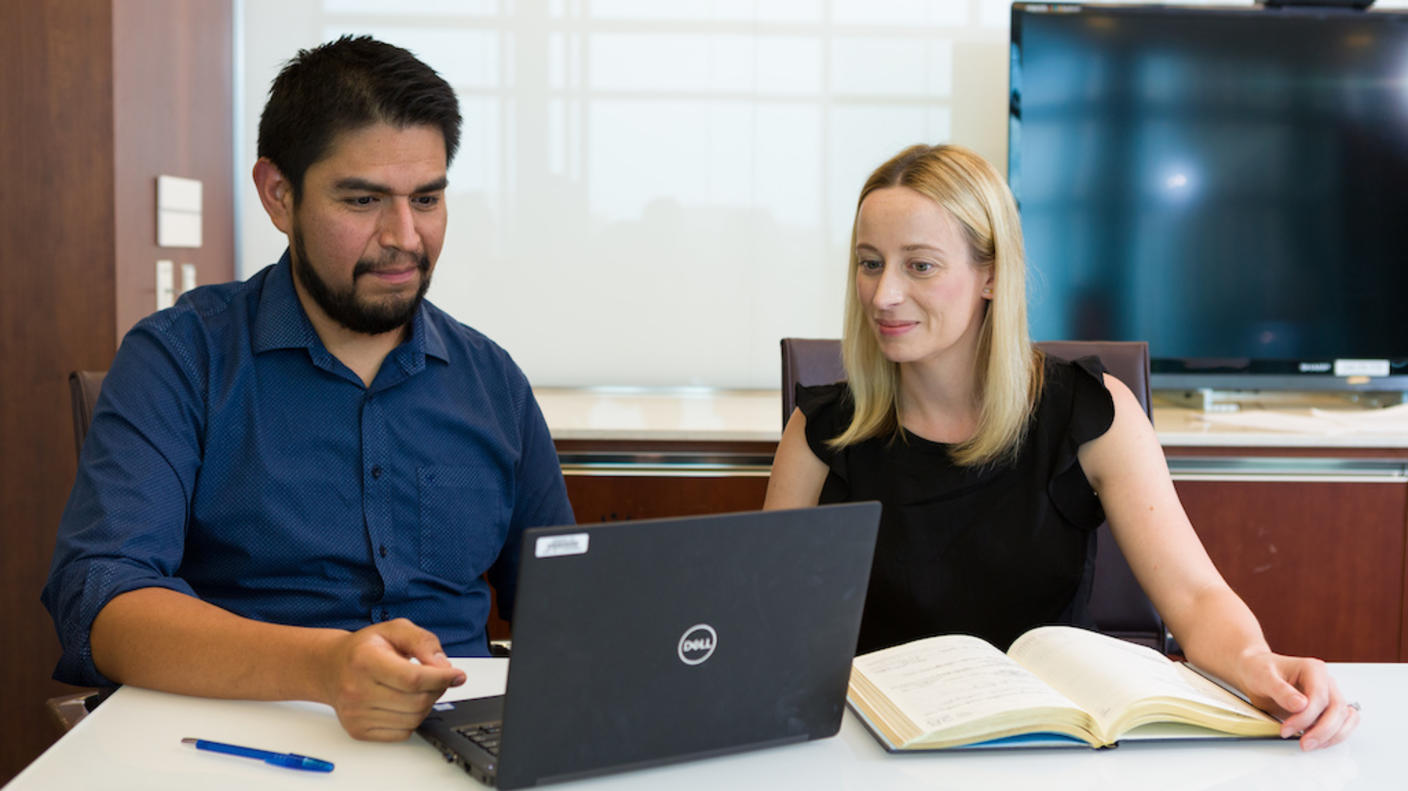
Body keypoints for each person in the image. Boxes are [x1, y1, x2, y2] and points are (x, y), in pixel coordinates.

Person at [42, 36, 573, 741]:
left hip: (463, 741)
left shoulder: (492, 380)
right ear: (278, 195)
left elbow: (568, 607)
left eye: (427, 198)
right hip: (244, 743)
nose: (404, 237)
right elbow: (100, 601)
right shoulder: (180, 358)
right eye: (362, 199)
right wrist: (324, 666)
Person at [764, 143, 1358, 751]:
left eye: (919, 266)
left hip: (1057, 749)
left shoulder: (1092, 413)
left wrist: (1264, 666)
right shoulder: (820, 430)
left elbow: (1197, 597)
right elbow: (762, 620)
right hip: (873, 748)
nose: (883, 294)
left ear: (991, 274)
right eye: (870, 263)